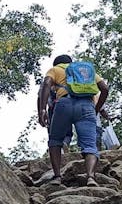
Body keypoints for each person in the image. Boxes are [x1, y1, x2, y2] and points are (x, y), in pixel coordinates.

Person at [38, 55, 110, 186]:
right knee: (90, 145)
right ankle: (90, 177)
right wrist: (97, 108)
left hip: (63, 104)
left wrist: (42, 110)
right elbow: (104, 89)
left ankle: (57, 177)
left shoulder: (55, 70)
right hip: (86, 106)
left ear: (56, 64)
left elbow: (47, 84)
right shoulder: (85, 71)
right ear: (71, 63)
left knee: (55, 140)